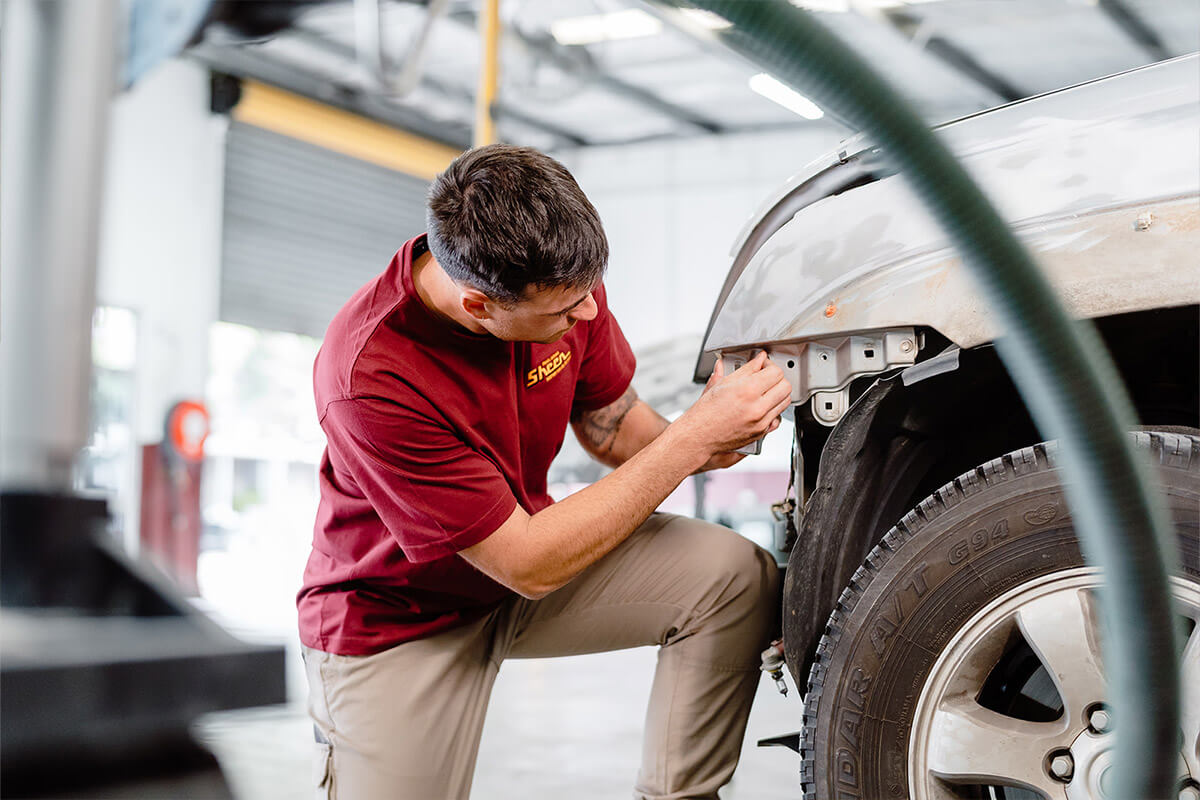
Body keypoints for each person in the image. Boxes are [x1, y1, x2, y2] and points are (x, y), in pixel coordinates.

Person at [297, 144, 792, 800]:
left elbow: (610, 425)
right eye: (564, 312)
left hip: (525, 563)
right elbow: (527, 563)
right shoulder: (370, 375)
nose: (586, 315)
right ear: (479, 307)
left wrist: (718, 435)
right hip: (401, 618)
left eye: (589, 295)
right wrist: (693, 441)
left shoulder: (563, 275)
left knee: (733, 577)